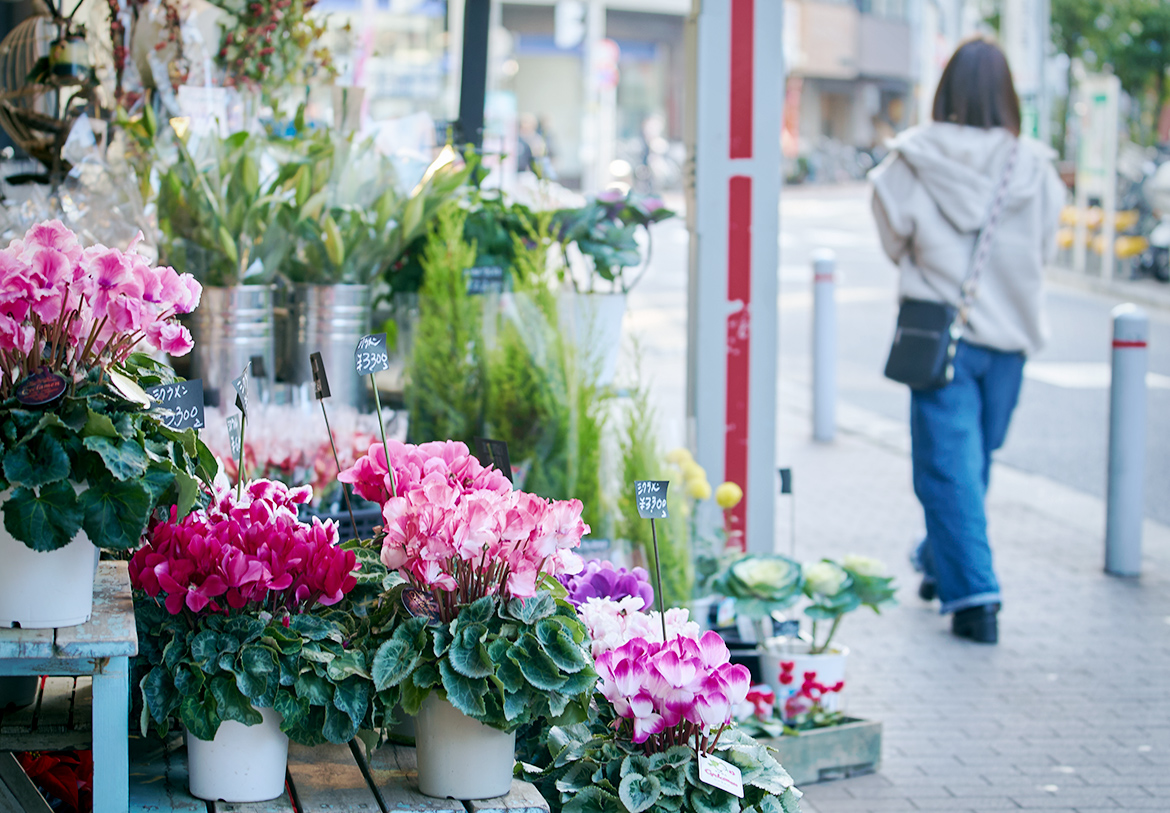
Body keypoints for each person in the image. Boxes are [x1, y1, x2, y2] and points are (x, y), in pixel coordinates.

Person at [868, 36, 1065, 644]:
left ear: (945, 90)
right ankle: (965, 585)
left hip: (940, 336)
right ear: (1007, 96)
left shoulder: (910, 160)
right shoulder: (1032, 165)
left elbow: (893, 236)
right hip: (1009, 339)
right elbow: (1045, 247)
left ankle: (968, 587)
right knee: (968, 463)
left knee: (953, 468)